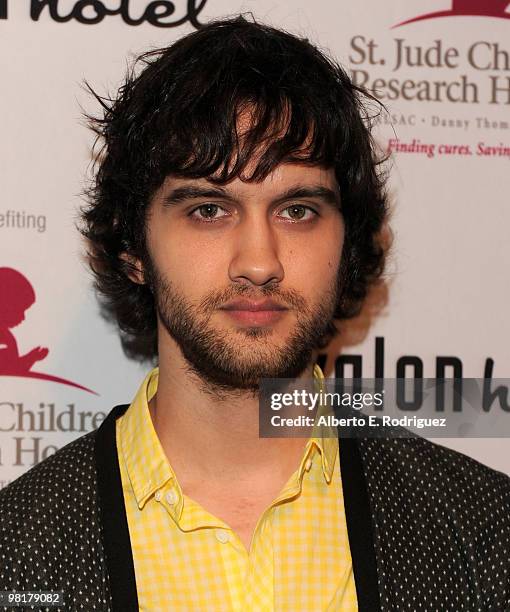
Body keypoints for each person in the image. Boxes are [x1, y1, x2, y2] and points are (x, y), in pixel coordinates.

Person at [1, 16, 509, 612]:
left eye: (297, 210)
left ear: (346, 246)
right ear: (132, 248)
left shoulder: (483, 533)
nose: (260, 262)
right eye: (209, 210)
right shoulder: (18, 550)